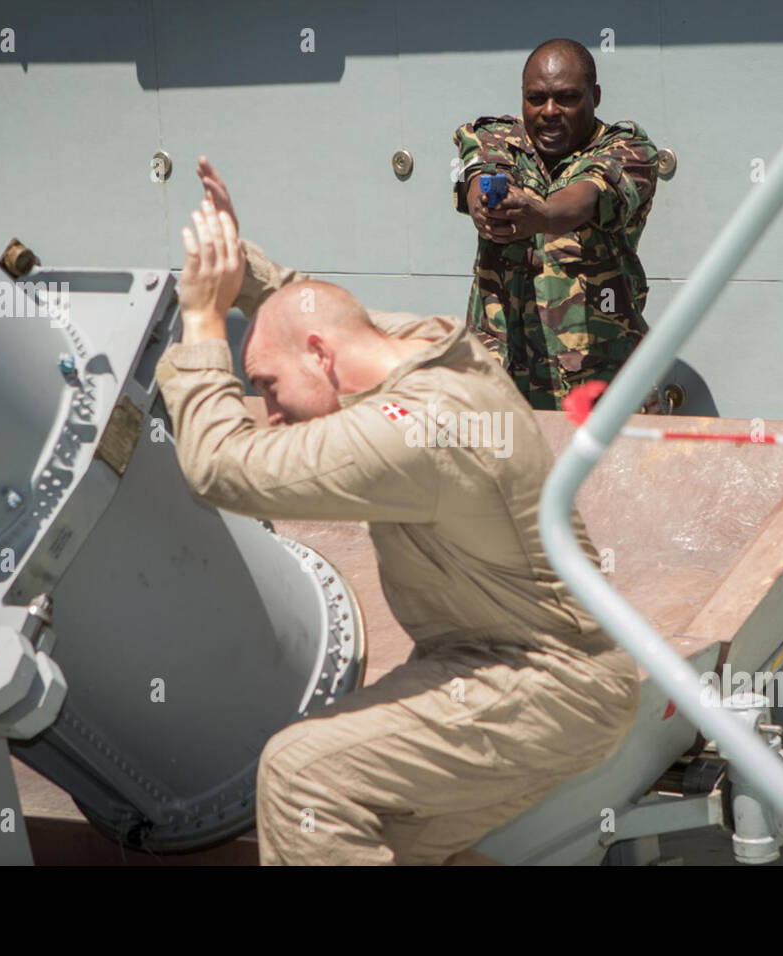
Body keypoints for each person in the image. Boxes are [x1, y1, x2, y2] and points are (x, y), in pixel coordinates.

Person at [150, 159, 641, 865]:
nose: (273, 414)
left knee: (302, 778)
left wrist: (202, 325)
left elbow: (222, 467)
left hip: (547, 684)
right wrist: (238, 264)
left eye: (268, 389)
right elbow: (307, 306)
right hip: (501, 666)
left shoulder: (417, 431)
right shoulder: (425, 346)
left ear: (320, 358)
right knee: (376, 840)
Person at [454, 37, 660, 411]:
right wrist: (482, 204)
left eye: (566, 98)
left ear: (595, 95)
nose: (549, 111)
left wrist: (542, 216)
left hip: (599, 389)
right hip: (504, 387)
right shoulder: (498, 137)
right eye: (536, 98)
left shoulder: (628, 149)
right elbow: (481, 170)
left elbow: (587, 194)